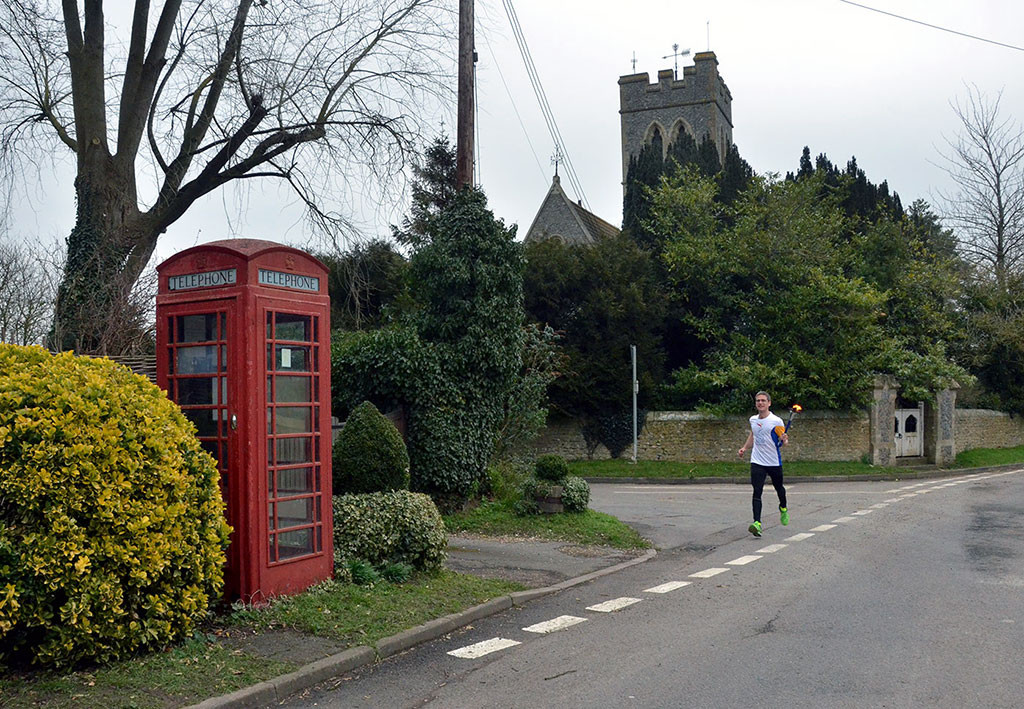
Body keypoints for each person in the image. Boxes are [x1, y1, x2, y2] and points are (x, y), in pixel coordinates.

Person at [737, 391, 789, 537]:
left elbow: (783, 441)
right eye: (758, 401)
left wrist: (784, 439)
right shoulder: (753, 420)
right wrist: (745, 448)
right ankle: (757, 523)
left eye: (763, 401)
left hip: (773, 462)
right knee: (757, 491)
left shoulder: (776, 421)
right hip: (757, 461)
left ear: (769, 403)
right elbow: (753, 435)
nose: (760, 403)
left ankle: (783, 508)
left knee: (779, 488)